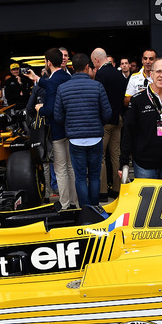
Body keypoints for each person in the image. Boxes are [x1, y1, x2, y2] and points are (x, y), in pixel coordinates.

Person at [54, 53, 111, 207]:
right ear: (87, 67)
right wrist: (97, 123)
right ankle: (94, 207)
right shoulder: (97, 86)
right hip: (95, 137)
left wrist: (71, 123)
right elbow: (107, 113)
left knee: (80, 177)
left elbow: (58, 116)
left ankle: (84, 209)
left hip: (75, 138)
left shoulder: (62, 88)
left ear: (72, 68)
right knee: (94, 176)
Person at [120, 58, 162, 180]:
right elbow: (128, 132)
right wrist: (123, 161)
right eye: (158, 71)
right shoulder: (138, 100)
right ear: (151, 74)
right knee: (146, 200)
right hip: (145, 165)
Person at [38, 47, 76, 209]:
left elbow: (51, 108)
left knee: (60, 169)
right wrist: (37, 79)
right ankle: (75, 201)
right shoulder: (67, 77)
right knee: (71, 168)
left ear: (48, 62)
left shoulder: (53, 80)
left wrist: (40, 109)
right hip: (71, 129)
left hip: (58, 131)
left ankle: (65, 203)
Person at [91, 47, 127, 199]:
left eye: (94, 62)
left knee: (101, 156)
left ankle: (103, 191)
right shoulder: (119, 74)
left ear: (97, 60)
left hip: (106, 121)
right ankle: (118, 190)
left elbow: (100, 99)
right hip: (119, 118)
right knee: (116, 155)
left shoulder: (101, 74)